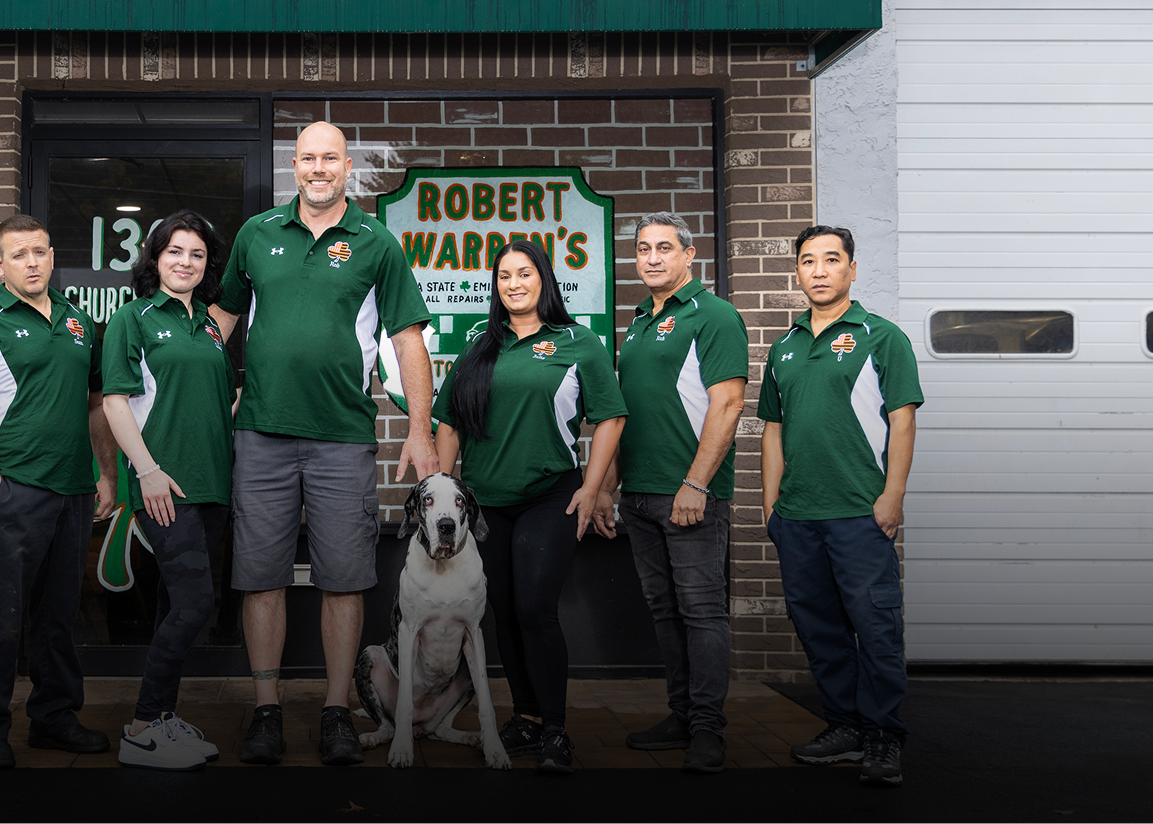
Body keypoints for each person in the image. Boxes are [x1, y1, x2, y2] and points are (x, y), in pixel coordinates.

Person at [206, 121, 440, 766]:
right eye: (306, 158)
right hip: (261, 435)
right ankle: (265, 710)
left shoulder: (375, 243)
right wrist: (183, 386)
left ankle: (337, 710)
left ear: (347, 167)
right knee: (261, 577)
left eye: (328, 158)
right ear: (293, 167)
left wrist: (419, 430)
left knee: (344, 579)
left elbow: (407, 339)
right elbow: (222, 320)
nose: (317, 168)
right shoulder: (258, 235)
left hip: (342, 438)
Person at [431, 240, 627, 775]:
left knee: (534, 609)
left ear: (544, 278)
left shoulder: (576, 342)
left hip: (550, 496)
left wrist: (592, 488)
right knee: (503, 612)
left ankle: (556, 730)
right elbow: (448, 422)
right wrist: (446, 490)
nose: (513, 284)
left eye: (524, 274)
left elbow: (610, 417)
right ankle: (525, 719)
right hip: (486, 506)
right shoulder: (480, 346)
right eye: (504, 277)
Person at [0, 214, 118, 769]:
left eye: (40, 251)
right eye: (19, 254)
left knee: (59, 615)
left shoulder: (76, 321)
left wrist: (104, 472)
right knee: (0, 618)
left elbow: (95, 405)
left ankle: (54, 719)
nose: (33, 262)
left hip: (72, 492)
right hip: (16, 490)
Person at [760, 225, 922, 787]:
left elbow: (902, 420)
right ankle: (845, 726)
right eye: (809, 261)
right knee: (818, 626)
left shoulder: (882, 337)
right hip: (799, 517)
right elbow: (772, 430)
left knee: (875, 625)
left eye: (832, 259)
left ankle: (883, 735)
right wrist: (770, 506)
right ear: (798, 273)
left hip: (860, 511)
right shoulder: (785, 346)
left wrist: (892, 496)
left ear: (852, 269)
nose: (820, 270)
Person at [600, 213, 748, 773]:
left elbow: (728, 405)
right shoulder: (638, 322)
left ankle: (708, 729)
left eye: (665, 247)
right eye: (643, 249)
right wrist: (606, 490)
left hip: (688, 496)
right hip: (638, 495)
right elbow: (624, 415)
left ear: (690, 255)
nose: (653, 257)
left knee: (702, 611)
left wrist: (695, 483)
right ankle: (681, 714)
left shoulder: (714, 316)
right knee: (665, 612)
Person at [99, 211, 236, 771]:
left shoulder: (208, 324)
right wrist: (147, 470)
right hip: (164, 486)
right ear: (154, 259)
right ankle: (141, 725)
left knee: (171, 604)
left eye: (197, 254)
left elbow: (210, 400)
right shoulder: (132, 319)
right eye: (175, 251)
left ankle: (162, 720)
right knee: (196, 603)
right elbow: (114, 402)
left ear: (207, 267)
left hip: (212, 485)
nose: (186, 262)